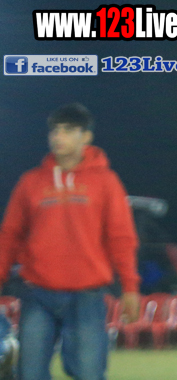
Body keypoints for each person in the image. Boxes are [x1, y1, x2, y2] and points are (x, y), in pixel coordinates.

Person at [0, 103, 140, 380]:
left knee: (89, 373)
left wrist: (130, 288)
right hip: (37, 293)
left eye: (67, 130)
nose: (58, 137)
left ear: (86, 136)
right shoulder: (30, 182)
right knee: (29, 373)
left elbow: (121, 238)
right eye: (54, 130)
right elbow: (10, 236)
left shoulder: (106, 182)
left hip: (87, 295)